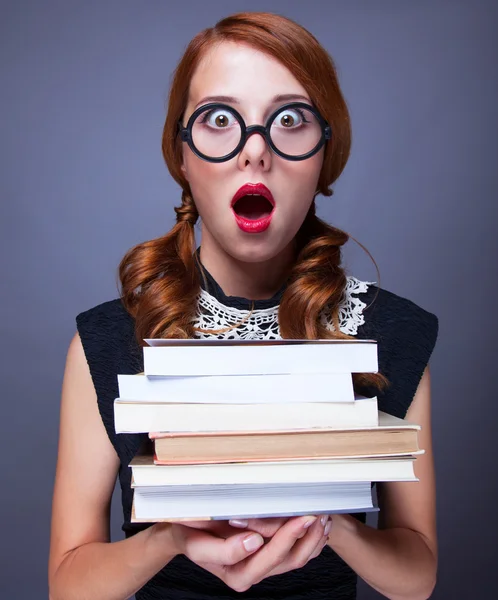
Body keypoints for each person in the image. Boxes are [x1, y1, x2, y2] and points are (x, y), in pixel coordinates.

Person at [48, 11, 438, 600]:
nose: (255, 154)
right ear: (181, 157)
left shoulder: (386, 331)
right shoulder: (106, 343)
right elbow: (67, 584)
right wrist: (171, 538)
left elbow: (418, 575)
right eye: (220, 120)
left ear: (324, 156)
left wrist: (327, 526)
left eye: (289, 120)